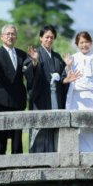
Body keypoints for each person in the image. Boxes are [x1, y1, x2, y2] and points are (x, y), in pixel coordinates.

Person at [23, 25, 68, 153]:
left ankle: (53, 156)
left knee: (53, 127)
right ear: (41, 38)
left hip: (55, 97)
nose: (49, 40)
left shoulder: (57, 56)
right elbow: (28, 74)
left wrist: (64, 76)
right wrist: (35, 62)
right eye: (46, 37)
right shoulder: (35, 53)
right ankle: (37, 157)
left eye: (52, 37)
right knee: (40, 127)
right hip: (41, 97)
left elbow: (64, 75)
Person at [0, 24, 28, 155]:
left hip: (18, 98)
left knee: (17, 133)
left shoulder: (21, 54)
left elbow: (29, 73)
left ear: (16, 37)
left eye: (13, 34)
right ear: (2, 37)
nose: (10, 36)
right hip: (1, 98)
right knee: (1, 133)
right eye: (8, 34)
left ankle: (18, 161)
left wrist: (35, 62)